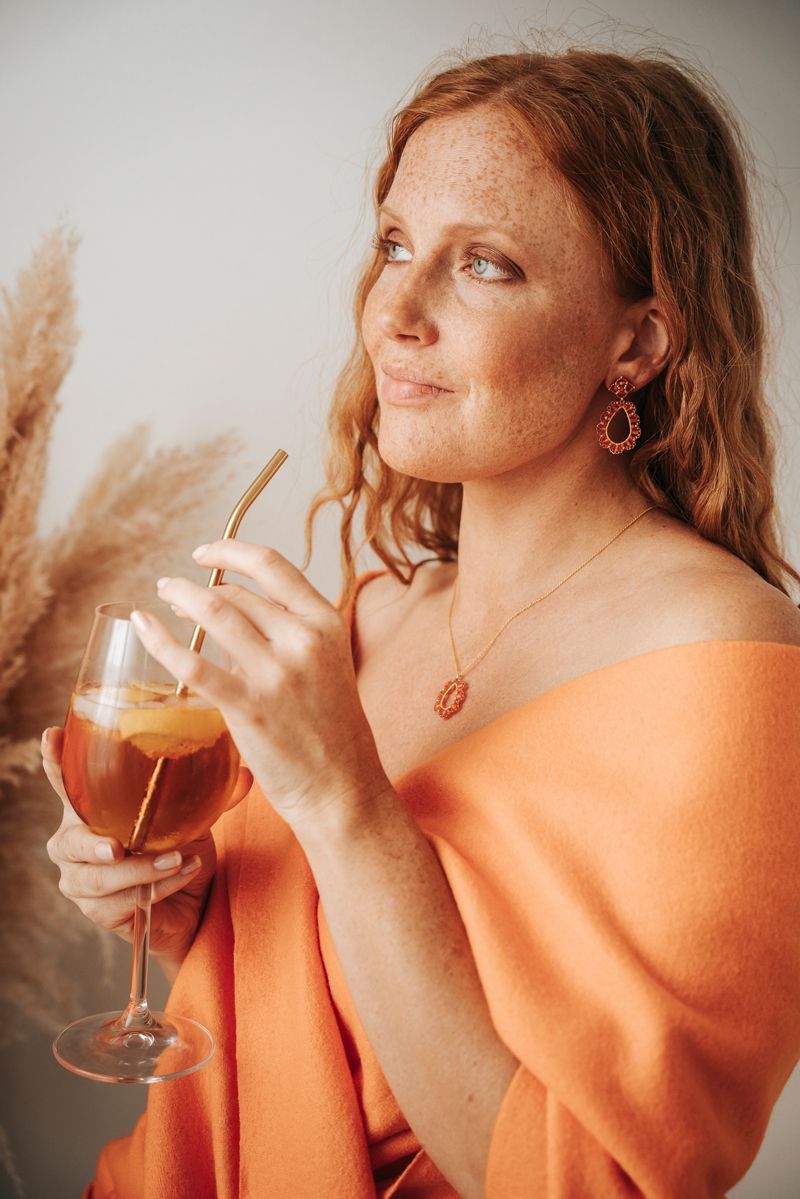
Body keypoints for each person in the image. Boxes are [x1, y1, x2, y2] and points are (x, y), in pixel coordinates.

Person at [43, 42, 800, 1199]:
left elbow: (589, 1184)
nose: (392, 310)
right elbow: (308, 1020)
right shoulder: (371, 612)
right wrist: (185, 911)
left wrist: (343, 804)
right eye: (394, 244)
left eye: (481, 264)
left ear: (635, 343)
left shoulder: (738, 676)